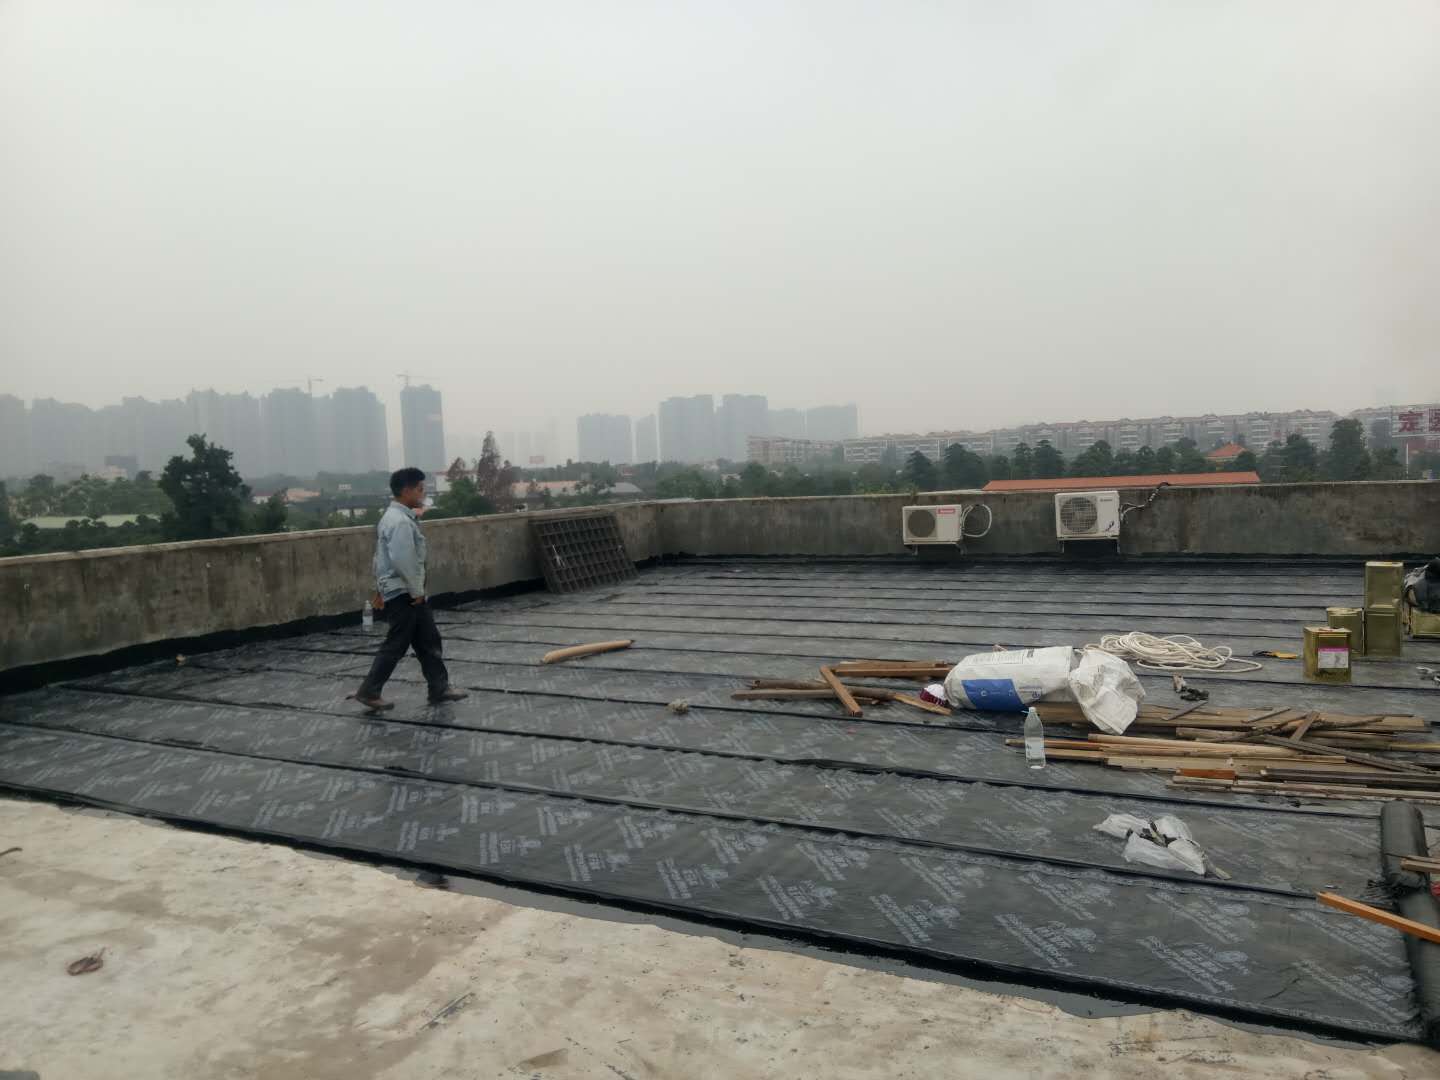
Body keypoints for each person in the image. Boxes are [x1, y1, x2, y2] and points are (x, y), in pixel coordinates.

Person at [353, 467, 468, 710]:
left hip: (403, 591)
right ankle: (369, 691)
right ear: (406, 491)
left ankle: (439, 688)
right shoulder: (400, 522)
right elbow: (403, 560)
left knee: (428, 640)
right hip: (405, 593)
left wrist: (381, 588)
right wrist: (416, 592)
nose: (423, 493)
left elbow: (380, 558)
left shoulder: (394, 518)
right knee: (397, 643)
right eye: (420, 489)